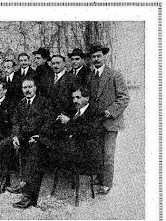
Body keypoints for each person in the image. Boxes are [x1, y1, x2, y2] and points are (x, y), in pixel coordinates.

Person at [12, 86, 105, 209]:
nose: (75, 101)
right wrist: (40, 136)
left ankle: (27, 189)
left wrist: (69, 122)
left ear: (87, 98)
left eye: (78, 97)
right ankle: (29, 194)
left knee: (39, 150)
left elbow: (89, 132)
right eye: (73, 98)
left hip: (84, 155)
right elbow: (57, 129)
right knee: (37, 147)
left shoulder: (96, 112)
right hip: (67, 150)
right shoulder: (73, 110)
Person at [86, 43, 130, 195]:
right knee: (97, 152)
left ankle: (107, 183)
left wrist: (110, 111)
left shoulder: (115, 75)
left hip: (110, 122)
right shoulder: (90, 76)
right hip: (95, 122)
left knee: (109, 154)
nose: (96, 59)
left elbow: (124, 98)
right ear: (91, 59)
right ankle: (100, 177)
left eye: (99, 56)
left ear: (104, 56)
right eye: (93, 57)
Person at [0, 78, 51, 195]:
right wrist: (15, 137)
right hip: (22, 136)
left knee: (32, 149)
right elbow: (15, 122)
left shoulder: (43, 102)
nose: (27, 90)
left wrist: (38, 136)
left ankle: (25, 184)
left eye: (30, 87)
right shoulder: (21, 103)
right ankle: (5, 180)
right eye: (25, 88)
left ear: (35, 88)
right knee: (4, 144)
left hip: (37, 137)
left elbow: (47, 122)